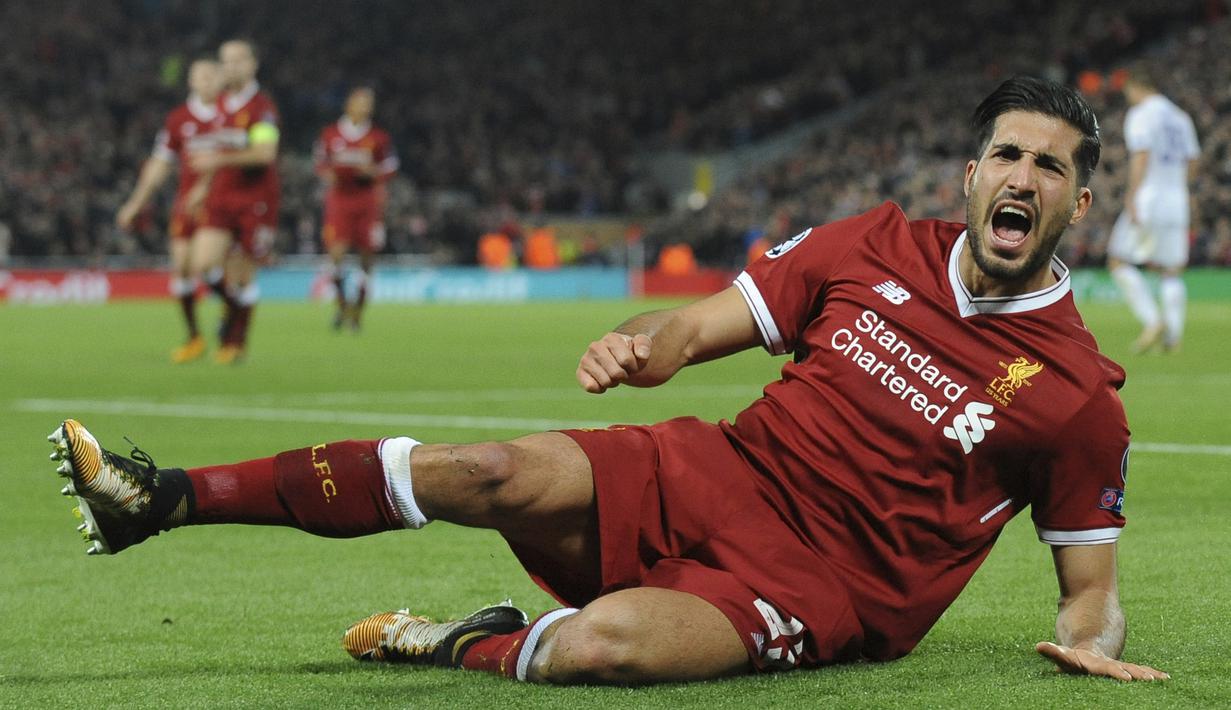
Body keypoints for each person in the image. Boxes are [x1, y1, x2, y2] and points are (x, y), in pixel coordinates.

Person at [48, 77, 1167, 685]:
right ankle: (162, 497)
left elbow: (1089, 588)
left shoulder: (1074, 394)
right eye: (1007, 155)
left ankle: (449, 639)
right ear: (971, 175)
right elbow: (686, 330)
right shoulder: (866, 242)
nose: (1023, 177)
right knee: (485, 468)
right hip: (718, 469)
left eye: (1049, 166)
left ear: (1076, 205)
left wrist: (1091, 642)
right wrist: (640, 345)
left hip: (828, 584)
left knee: (601, 644)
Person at [116, 57, 223, 363]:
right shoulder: (178, 119)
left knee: (204, 264)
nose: (207, 81)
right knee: (182, 268)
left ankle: (232, 310)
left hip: (222, 203)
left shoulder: (230, 115)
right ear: (191, 81)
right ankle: (194, 338)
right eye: (201, 76)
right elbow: (160, 163)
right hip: (186, 202)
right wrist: (136, 203)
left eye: (212, 75)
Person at [184, 38, 281, 364]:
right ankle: (231, 309)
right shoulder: (221, 105)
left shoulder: (262, 108)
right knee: (202, 264)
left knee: (242, 274)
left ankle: (236, 342)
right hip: (222, 195)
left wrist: (218, 162)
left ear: (253, 64)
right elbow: (218, 149)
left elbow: (264, 154)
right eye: (225, 61)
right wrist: (202, 187)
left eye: (238, 60)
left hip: (255, 199)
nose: (230, 67)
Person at [1107, 66, 1200, 353]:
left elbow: (1141, 155)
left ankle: (1153, 321)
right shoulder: (1181, 117)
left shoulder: (1141, 114)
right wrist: (1180, 188)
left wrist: (1132, 195)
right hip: (1176, 200)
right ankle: (1173, 337)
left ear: (1136, 87)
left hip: (1149, 198)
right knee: (1171, 270)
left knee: (1118, 261)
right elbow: (1193, 161)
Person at [313, 86, 399, 331]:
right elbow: (320, 162)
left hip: (367, 201)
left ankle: (358, 312)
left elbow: (391, 166)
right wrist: (328, 174)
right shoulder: (330, 134)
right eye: (361, 102)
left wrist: (374, 172)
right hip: (340, 200)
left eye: (368, 104)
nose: (365, 108)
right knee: (336, 254)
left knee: (367, 257)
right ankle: (342, 305)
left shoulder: (378, 138)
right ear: (348, 104)